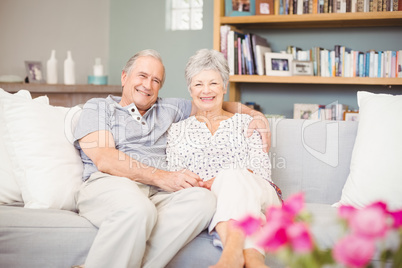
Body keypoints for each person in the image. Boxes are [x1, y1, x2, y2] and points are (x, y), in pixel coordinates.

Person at [73, 49, 271, 268]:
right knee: (137, 209)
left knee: (204, 201)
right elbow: (105, 159)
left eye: (155, 80)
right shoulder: (99, 107)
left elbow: (212, 102)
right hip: (110, 184)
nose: (147, 85)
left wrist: (256, 116)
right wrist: (160, 177)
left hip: (156, 194)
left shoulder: (169, 109)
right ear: (124, 77)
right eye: (142, 76)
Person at [166, 49, 283, 268]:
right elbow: (177, 176)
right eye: (198, 84)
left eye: (213, 83)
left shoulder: (247, 123)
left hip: (260, 194)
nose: (206, 90)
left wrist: (222, 180)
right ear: (190, 88)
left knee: (231, 176)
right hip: (211, 201)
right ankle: (254, 261)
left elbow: (262, 172)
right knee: (229, 186)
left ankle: (230, 255)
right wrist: (211, 186)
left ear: (225, 87)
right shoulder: (177, 130)